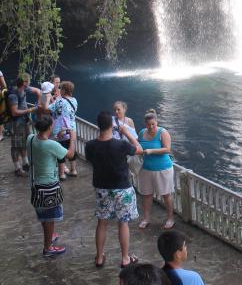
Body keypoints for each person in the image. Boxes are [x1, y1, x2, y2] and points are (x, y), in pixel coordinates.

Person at [85, 110, 143, 269]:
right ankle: (125, 258)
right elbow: (139, 149)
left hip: (102, 188)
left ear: (98, 125)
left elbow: (91, 160)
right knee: (123, 223)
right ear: (112, 125)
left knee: (102, 223)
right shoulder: (121, 145)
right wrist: (127, 133)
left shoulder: (90, 146)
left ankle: (99, 257)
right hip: (122, 188)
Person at [27, 113, 73, 257]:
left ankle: (50, 236)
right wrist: (74, 136)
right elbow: (70, 154)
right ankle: (48, 248)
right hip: (49, 187)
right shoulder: (51, 145)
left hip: (35, 184)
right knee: (50, 218)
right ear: (49, 127)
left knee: (43, 215)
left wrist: (55, 139)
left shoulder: (31, 138)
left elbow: (45, 144)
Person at [138, 110, 175, 230]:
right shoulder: (142, 132)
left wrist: (152, 151)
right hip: (146, 168)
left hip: (163, 168)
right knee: (147, 194)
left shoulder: (162, 132)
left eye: (153, 124)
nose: (151, 127)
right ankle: (146, 218)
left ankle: (170, 218)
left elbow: (167, 149)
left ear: (156, 122)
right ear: (145, 124)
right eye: (148, 125)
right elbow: (138, 146)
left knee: (166, 194)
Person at [8, 75, 41, 176]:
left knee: (26, 141)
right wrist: (31, 110)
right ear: (24, 83)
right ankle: (17, 168)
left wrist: (38, 104)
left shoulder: (25, 89)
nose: (30, 83)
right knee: (16, 145)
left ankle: (25, 163)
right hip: (17, 123)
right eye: (29, 81)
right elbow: (14, 112)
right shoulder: (13, 95)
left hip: (25, 120)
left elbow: (38, 91)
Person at [50, 80, 78, 179]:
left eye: (61, 88)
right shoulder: (74, 100)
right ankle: (73, 170)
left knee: (60, 151)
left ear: (64, 90)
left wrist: (51, 99)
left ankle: (62, 174)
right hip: (72, 129)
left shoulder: (60, 101)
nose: (59, 90)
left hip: (61, 130)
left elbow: (49, 109)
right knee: (72, 149)